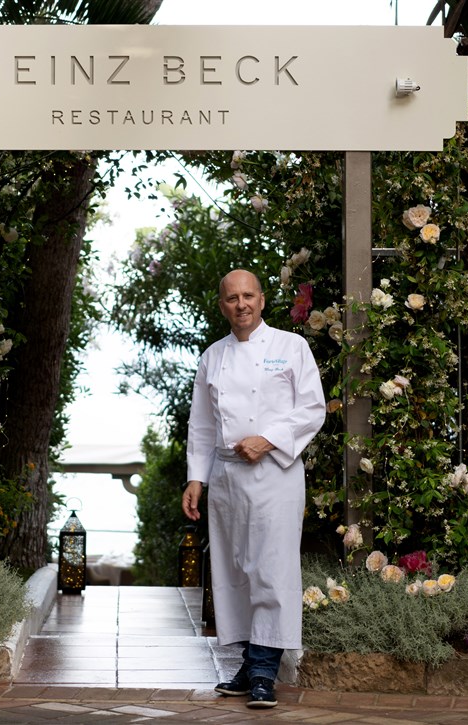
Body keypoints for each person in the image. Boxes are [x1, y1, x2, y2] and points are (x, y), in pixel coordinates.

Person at [182, 269, 325, 709]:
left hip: (275, 474)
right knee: (235, 571)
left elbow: (313, 409)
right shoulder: (212, 356)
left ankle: (265, 671)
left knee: (271, 568)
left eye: (248, 296)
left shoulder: (291, 347)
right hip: (226, 477)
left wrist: (270, 439)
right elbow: (202, 425)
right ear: (222, 305)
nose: (240, 304)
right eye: (231, 298)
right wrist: (196, 478)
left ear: (262, 300)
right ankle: (249, 662)